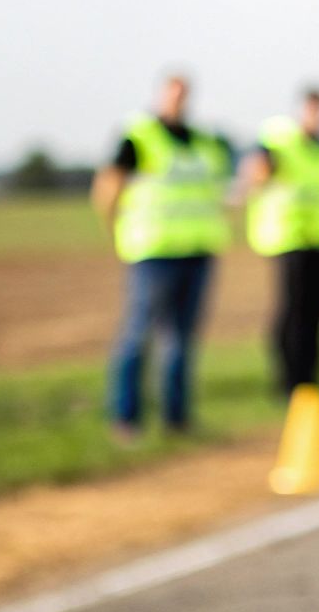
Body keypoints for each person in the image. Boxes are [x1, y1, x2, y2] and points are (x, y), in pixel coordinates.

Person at [92, 75, 232, 439]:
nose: (178, 101)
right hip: (152, 251)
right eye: (172, 94)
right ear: (160, 95)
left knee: (181, 339)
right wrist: (114, 230)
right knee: (139, 335)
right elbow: (108, 186)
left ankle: (177, 418)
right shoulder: (139, 136)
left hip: (197, 249)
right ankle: (126, 417)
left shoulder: (203, 141)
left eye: (184, 94)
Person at [245, 87, 319, 398]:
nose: (317, 117)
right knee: (293, 313)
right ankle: (288, 382)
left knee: (316, 312)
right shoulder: (281, 139)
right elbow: (256, 172)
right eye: (312, 109)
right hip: (287, 237)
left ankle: (311, 379)